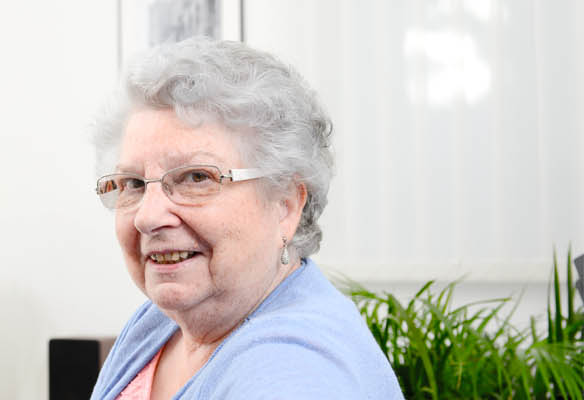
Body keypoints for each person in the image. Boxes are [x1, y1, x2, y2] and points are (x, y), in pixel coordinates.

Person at [88, 37, 401, 399]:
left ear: (285, 205)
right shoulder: (163, 321)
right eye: (133, 183)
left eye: (196, 177)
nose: (147, 216)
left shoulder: (295, 372)